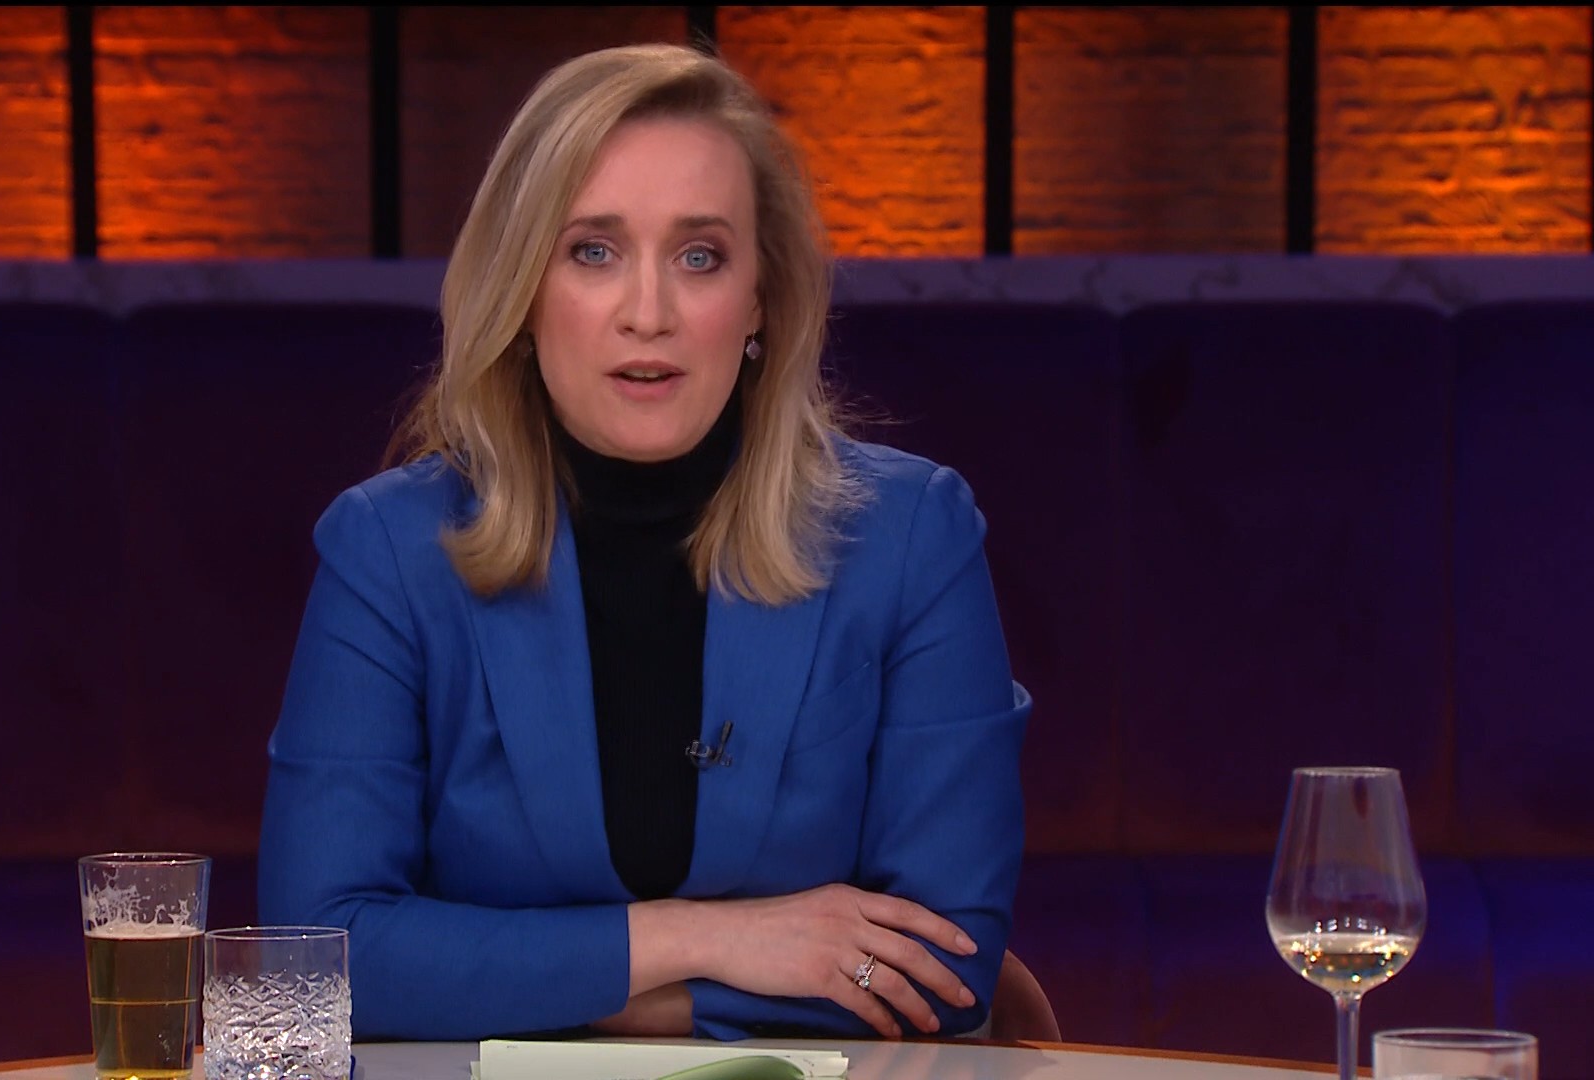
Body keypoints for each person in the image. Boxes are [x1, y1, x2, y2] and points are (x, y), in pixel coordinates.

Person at [256, 42, 1031, 1043]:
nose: (649, 314)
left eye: (700, 256)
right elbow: (313, 962)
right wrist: (707, 942)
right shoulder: (389, 553)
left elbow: (946, 970)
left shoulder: (911, 536)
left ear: (760, 298)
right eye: (594, 251)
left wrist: (542, 992)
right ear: (523, 289)